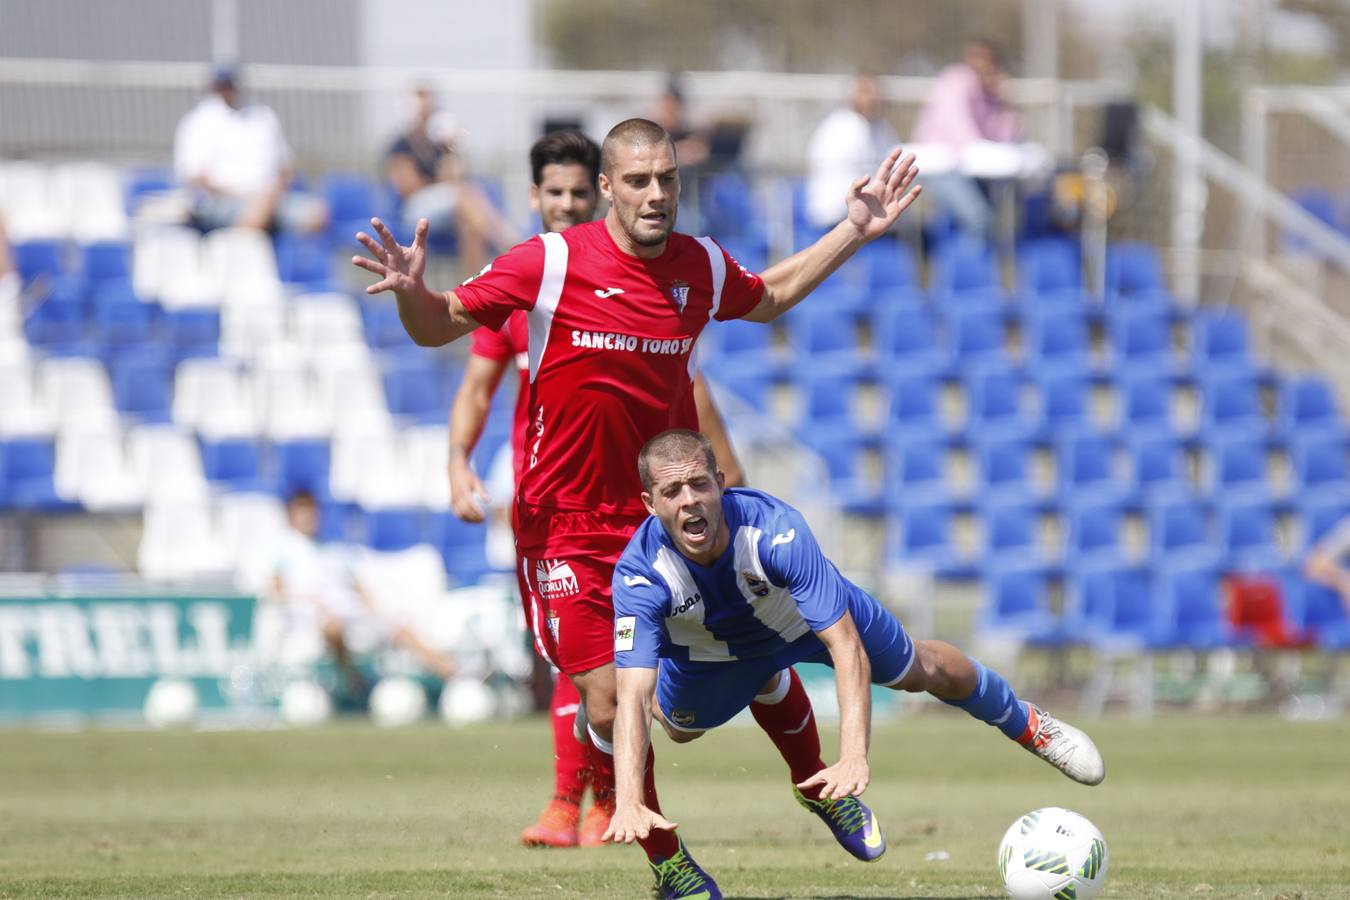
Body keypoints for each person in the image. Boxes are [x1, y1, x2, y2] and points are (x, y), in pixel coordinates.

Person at [352, 117, 920, 899]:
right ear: (608, 189)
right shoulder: (548, 263)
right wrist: (414, 292)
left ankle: (820, 783)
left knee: (748, 653)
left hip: (662, 521)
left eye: (668, 180)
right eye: (640, 181)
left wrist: (854, 228)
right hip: (563, 529)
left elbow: (774, 294)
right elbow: (439, 323)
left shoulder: (700, 265)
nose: (657, 195)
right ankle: (667, 858)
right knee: (613, 693)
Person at [603, 430, 1106, 896]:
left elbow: (846, 646)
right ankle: (767, 683)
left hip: (804, 626)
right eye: (672, 492)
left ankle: (1028, 723)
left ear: (721, 484)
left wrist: (854, 755)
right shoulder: (640, 575)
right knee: (676, 729)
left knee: (922, 671)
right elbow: (635, 694)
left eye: (698, 484)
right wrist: (628, 797)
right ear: (650, 504)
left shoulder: (776, 531)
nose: (689, 500)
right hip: (711, 657)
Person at [446, 129, 747, 849]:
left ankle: (607, 800)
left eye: (579, 192)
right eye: (557, 194)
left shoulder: (652, 280)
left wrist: (726, 474)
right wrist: (459, 459)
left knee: (633, 675)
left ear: (597, 193)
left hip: (637, 507)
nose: (568, 204)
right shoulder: (529, 280)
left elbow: (686, 384)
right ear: (536, 199)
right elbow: (475, 380)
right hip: (555, 505)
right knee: (591, 672)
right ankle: (574, 801)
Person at [269, 490, 457, 689]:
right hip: (312, 618)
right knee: (333, 627)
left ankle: (452, 672)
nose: (309, 517)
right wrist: (316, 603)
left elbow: (357, 586)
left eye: (312, 512)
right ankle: (352, 679)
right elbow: (276, 590)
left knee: (399, 626)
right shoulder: (283, 549)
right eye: (303, 512)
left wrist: (375, 609)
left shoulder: (332, 550)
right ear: (291, 515)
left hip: (352, 615)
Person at [173, 64, 327, 234]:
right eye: (222, 85)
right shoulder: (198, 121)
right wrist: (247, 196)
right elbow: (196, 177)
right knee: (258, 211)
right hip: (221, 202)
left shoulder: (262, 116)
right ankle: (239, 250)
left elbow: (285, 169)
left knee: (316, 214)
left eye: (230, 84)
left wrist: (271, 193)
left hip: (272, 199)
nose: (227, 90)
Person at [385, 84, 518, 273]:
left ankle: (474, 285)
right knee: (465, 194)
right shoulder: (400, 145)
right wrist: (441, 184)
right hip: (414, 211)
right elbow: (406, 187)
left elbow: (455, 178)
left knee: (469, 225)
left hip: (446, 207)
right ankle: (510, 246)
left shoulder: (438, 145)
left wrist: (451, 150)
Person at [911, 38, 1023, 240]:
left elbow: (1006, 136)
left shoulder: (987, 93)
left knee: (1007, 210)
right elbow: (963, 133)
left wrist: (1003, 101)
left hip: (968, 169)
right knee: (979, 219)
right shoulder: (954, 81)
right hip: (941, 168)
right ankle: (967, 268)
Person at [805, 73, 900, 231]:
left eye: (876, 93)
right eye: (866, 92)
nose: (872, 98)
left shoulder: (883, 128)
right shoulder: (839, 125)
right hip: (835, 215)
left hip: (872, 212)